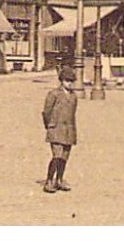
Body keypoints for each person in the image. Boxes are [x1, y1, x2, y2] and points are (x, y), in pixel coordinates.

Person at [42, 65, 79, 193]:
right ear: (61, 81)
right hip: (56, 129)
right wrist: (50, 126)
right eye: (67, 81)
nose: (69, 84)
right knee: (56, 156)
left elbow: (73, 113)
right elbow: (46, 112)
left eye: (71, 81)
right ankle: (49, 180)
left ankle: (59, 179)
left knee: (64, 157)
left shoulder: (74, 96)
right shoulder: (54, 94)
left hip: (69, 130)